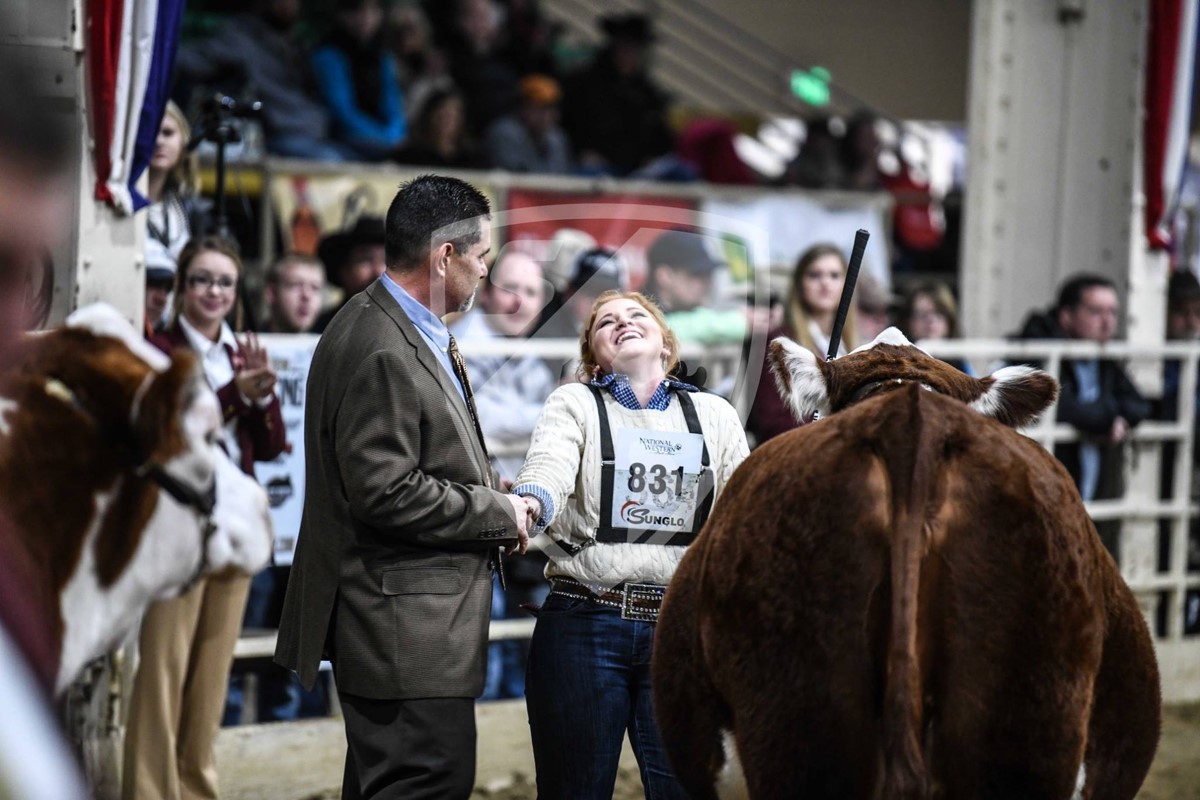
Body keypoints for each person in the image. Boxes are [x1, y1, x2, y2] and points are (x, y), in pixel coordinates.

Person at [275, 174, 535, 799]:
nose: (485, 274)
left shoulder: (389, 324)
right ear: (445, 255)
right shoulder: (384, 343)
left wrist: (483, 484)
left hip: (405, 629)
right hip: (405, 632)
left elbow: (409, 461)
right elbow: (386, 490)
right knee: (426, 782)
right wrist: (495, 510)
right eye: (481, 258)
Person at [512, 290, 749, 799]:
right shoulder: (573, 402)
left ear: (666, 342)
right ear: (593, 357)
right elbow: (549, 465)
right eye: (605, 323)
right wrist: (531, 504)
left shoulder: (716, 415)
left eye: (635, 316)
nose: (621, 324)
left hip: (680, 632)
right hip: (585, 617)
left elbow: (743, 509)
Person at [124, 236, 287, 800]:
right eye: (201, 279)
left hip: (234, 528)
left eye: (224, 282)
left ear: (236, 293)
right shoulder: (159, 349)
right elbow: (170, 433)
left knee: (211, 679)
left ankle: (196, 787)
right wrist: (236, 396)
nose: (213, 291)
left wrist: (261, 401)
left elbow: (269, 448)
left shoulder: (241, 352)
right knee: (161, 674)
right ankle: (148, 791)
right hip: (174, 529)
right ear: (180, 289)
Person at [449, 250, 556, 699]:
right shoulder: (460, 343)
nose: (521, 302)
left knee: (522, 652)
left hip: (522, 526)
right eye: (511, 288)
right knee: (484, 657)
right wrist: (557, 409)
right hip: (473, 525)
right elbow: (482, 422)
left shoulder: (531, 355)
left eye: (531, 292)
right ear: (488, 292)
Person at [1014, 274, 1151, 507]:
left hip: (1084, 482)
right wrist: (1108, 419)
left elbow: (1138, 404)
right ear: (1067, 316)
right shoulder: (1037, 347)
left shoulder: (1102, 355)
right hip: (1041, 485)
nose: (1107, 322)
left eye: (1113, 312)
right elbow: (1060, 406)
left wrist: (1117, 419)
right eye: (1096, 311)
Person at [175, 0, 348, 161]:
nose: (291, 5)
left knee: (357, 156)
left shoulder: (292, 44)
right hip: (270, 136)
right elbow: (190, 59)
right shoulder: (241, 38)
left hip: (310, 133)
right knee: (332, 160)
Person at [746, 243, 855, 445]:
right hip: (797, 454)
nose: (825, 283)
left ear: (846, 285)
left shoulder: (852, 346)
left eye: (834, 275)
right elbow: (771, 421)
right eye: (814, 275)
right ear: (799, 284)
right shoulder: (779, 342)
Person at [561, 13, 677, 177]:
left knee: (680, 173)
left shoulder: (647, 92)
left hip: (638, 167)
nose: (630, 56)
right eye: (625, 49)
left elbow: (659, 134)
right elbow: (571, 124)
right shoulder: (585, 83)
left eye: (635, 50)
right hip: (598, 164)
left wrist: (652, 156)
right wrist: (582, 151)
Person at [312, 0, 408, 161]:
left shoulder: (382, 57)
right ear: (342, 15)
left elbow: (393, 107)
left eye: (373, 11)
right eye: (358, 11)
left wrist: (393, 135)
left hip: (383, 141)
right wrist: (383, 139)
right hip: (344, 140)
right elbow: (342, 112)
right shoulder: (328, 55)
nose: (366, 18)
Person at [641, 228, 750, 344]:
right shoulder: (635, 309)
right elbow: (659, 329)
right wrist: (737, 323)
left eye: (708, 274)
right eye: (696, 273)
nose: (706, 282)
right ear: (665, 276)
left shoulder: (688, 309)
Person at [144, 101, 208, 277]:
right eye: (150, 132)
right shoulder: (120, 201)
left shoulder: (191, 209)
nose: (158, 141)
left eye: (167, 133)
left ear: (183, 143)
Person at [484, 74, 571, 174]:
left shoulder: (557, 138)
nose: (547, 116)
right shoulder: (505, 132)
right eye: (539, 108)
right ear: (522, 108)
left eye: (551, 109)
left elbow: (562, 175)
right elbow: (516, 176)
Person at [313, 215, 387, 332]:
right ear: (344, 270)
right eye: (366, 260)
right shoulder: (323, 329)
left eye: (386, 261)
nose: (378, 271)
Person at [392, 86, 485, 169]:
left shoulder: (473, 160)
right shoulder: (408, 157)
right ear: (428, 117)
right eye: (442, 114)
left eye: (452, 115)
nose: (446, 120)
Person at [898, 278, 971, 374]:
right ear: (908, 322)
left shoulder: (961, 365)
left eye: (939, 313)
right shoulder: (896, 366)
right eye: (922, 314)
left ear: (949, 320)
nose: (930, 320)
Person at [264, 253, 326, 333]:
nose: (307, 295)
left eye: (315, 287)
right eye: (295, 285)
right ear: (272, 293)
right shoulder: (247, 342)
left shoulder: (330, 343)